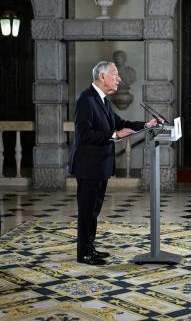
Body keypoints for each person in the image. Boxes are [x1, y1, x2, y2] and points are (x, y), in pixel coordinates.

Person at [69, 61, 160, 265]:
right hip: (89, 166)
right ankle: (83, 253)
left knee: (94, 210)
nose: (119, 78)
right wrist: (114, 135)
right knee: (87, 211)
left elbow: (120, 124)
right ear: (102, 77)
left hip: (100, 166)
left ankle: (89, 248)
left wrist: (145, 125)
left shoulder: (102, 100)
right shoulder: (86, 99)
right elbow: (84, 134)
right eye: (115, 74)